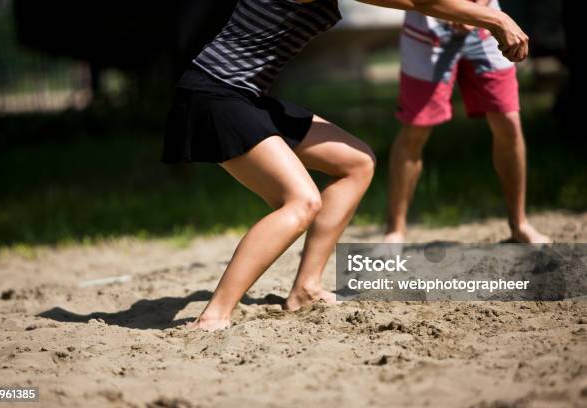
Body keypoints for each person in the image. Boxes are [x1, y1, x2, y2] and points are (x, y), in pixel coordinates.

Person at [163, 0, 530, 331]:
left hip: (243, 96)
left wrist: (463, 12)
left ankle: (306, 289)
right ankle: (215, 315)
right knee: (301, 201)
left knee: (356, 162)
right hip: (215, 96)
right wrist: (494, 17)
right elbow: (419, 1)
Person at [384, 0, 550, 244]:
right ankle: (395, 231)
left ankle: (519, 224)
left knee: (509, 121)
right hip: (427, 26)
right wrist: (452, 10)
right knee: (415, 128)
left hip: (486, 24)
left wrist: (476, 11)